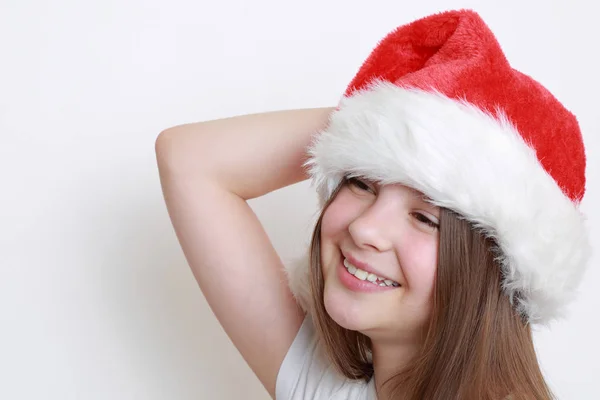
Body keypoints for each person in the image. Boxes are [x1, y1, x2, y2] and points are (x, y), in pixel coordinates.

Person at [155, 9, 591, 400]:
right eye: (361, 183)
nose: (365, 229)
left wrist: (411, 127)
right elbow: (188, 160)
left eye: (424, 217)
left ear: (494, 273)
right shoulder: (324, 385)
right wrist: (384, 119)